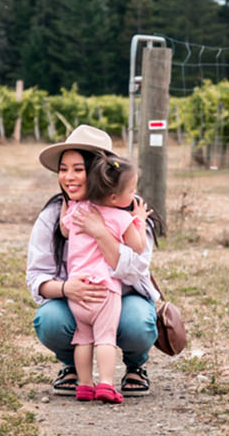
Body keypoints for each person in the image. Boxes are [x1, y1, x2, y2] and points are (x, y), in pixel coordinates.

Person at [27, 125, 159, 398]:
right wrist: (66, 289)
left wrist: (100, 232)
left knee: (137, 322)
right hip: (76, 298)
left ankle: (135, 366)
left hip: (121, 297)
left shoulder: (129, 211)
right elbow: (37, 277)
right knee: (50, 319)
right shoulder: (56, 213)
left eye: (78, 169)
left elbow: (136, 271)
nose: (68, 177)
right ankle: (71, 367)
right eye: (63, 169)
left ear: (100, 173)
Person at [60, 154, 146, 403]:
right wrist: (138, 220)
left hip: (78, 289)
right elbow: (138, 246)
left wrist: (68, 204)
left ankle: (85, 385)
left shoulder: (79, 211)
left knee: (83, 338)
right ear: (113, 198)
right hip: (104, 290)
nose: (134, 195)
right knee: (105, 338)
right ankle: (106, 384)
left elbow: (65, 230)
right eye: (131, 190)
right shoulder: (121, 218)